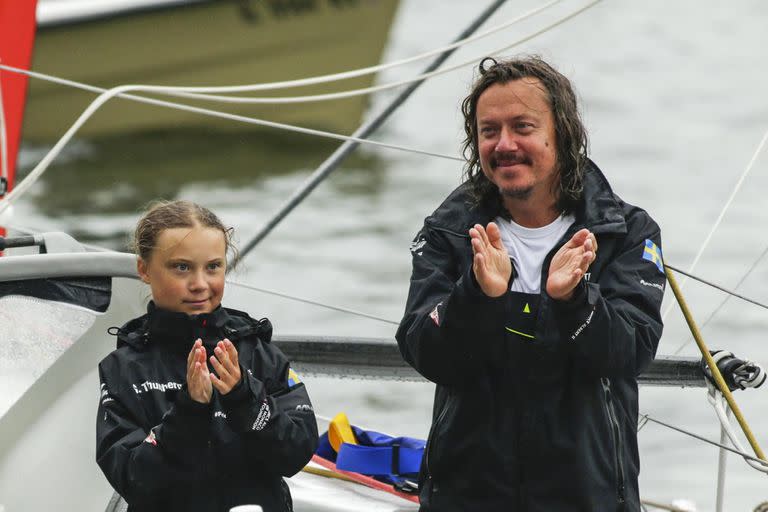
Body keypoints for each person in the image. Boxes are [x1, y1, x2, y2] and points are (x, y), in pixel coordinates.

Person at [396, 56, 666, 511]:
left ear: (561, 133)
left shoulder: (628, 232)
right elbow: (425, 351)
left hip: (586, 495)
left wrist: (575, 302)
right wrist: (477, 296)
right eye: (489, 131)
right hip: (467, 495)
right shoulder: (449, 231)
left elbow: (630, 352)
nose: (504, 145)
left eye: (522, 127)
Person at [96, 200, 317, 512]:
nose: (200, 284)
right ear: (144, 269)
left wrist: (246, 399)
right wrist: (188, 412)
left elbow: (296, 452)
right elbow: (133, 480)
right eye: (181, 267)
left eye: (213, 267)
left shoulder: (258, 353)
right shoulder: (124, 369)